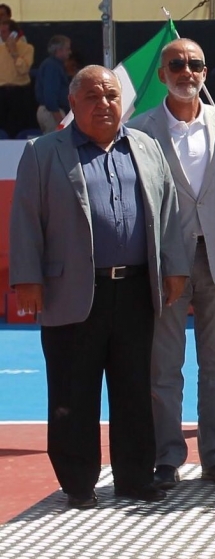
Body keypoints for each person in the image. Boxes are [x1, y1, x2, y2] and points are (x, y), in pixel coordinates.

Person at [9, 65, 189, 508]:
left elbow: (168, 213)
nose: (103, 104)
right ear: (73, 104)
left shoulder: (145, 147)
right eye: (92, 96)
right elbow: (26, 220)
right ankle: (77, 483)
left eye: (110, 96)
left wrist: (174, 267)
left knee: (133, 389)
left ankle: (134, 478)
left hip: (134, 291)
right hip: (70, 291)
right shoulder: (43, 152)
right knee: (73, 390)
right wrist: (28, 279)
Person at [127, 39, 215, 489]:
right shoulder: (138, 130)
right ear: (161, 75)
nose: (186, 71)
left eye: (194, 64)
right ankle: (166, 458)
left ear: (205, 72)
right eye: (176, 64)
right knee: (163, 365)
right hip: (164, 263)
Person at [0, 14, 35, 137]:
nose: (1, 34)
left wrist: (14, 53)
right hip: (2, 93)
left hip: (20, 93)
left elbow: (23, 69)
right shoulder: (0, 49)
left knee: (19, 127)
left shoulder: (27, 48)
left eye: (4, 32)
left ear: (13, 34)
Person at [35, 35, 71, 133]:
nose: (69, 52)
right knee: (55, 144)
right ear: (59, 50)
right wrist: (59, 118)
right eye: (67, 49)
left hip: (51, 111)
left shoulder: (54, 65)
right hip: (51, 112)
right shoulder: (52, 66)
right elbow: (50, 93)